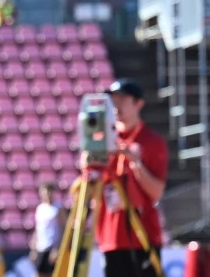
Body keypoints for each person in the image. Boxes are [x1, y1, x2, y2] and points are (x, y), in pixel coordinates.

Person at [81, 79, 167, 277]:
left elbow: (156, 192)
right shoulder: (101, 141)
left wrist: (135, 163)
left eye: (122, 99)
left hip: (143, 236)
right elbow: (89, 184)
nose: (116, 105)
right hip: (110, 237)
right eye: (113, 100)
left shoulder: (152, 142)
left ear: (138, 103)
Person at [30, 182, 65, 277]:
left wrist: (57, 248)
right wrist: (34, 248)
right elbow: (38, 229)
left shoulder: (58, 208)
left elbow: (63, 229)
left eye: (49, 193)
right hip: (41, 247)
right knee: (39, 273)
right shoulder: (40, 208)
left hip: (52, 247)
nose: (47, 196)